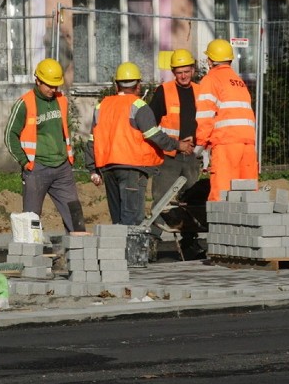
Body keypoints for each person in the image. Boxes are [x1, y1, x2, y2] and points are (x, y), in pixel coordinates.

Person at [85, 62, 194, 226]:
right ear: (138, 86)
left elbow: (92, 139)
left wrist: (93, 169)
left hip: (108, 168)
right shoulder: (138, 106)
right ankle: (131, 251)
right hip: (132, 169)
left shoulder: (102, 106)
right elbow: (153, 135)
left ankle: (118, 250)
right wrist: (179, 145)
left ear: (116, 85)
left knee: (118, 218)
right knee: (132, 218)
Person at [4, 58, 85, 233]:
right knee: (30, 219)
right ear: (37, 80)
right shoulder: (24, 103)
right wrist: (24, 161)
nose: (52, 89)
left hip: (62, 168)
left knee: (75, 214)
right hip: (36, 169)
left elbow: (66, 129)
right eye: (48, 85)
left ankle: (78, 255)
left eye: (56, 86)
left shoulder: (61, 100)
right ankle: (30, 257)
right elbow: (10, 135)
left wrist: (68, 156)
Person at [149, 49, 204, 258]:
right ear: (173, 71)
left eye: (187, 71)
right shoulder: (163, 91)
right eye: (179, 72)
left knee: (190, 201)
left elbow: (207, 121)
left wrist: (196, 141)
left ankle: (190, 243)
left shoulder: (201, 92)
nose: (183, 75)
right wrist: (173, 144)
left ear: (193, 69)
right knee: (161, 200)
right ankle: (152, 241)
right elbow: (150, 125)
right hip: (168, 157)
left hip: (191, 156)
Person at [194, 39, 259, 202]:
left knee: (222, 192)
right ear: (230, 59)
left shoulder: (211, 79)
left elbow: (205, 115)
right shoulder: (238, 82)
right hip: (248, 144)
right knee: (248, 192)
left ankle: (219, 227)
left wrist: (200, 144)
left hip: (226, 143)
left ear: (210, 61)